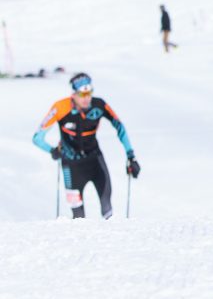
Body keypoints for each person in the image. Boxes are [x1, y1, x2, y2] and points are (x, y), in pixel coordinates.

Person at [32, 72, 140, 219]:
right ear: (74, 94)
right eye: (82, 95)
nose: (87, 98)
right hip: (70, 165)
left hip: (95, 160)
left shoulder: (99, 105)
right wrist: (52, 151)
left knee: (108, 209)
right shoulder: (60, 108)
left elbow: (119, 127)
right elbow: (37, 137)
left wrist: (131, 156)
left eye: (89, 93)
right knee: (78, 218)